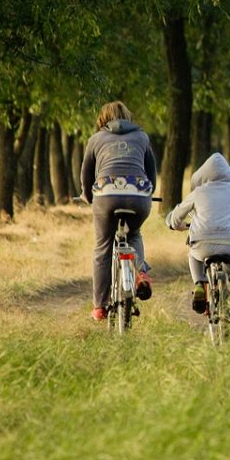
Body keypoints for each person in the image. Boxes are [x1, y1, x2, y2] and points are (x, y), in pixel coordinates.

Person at [80, 101, 156, 322]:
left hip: (106, 195)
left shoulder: (95, 139)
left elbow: (86, 175)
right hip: (139, 194)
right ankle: (141, 273)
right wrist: (147, 193)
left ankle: (100, 306)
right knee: (134, 234)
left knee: (103, 247)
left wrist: (87, 196)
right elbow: (151, 172)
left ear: (103, 119)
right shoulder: (142, 137)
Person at [166, 153, 230, 321]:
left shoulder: (198, 192)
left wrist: (175, 225)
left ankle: (199, 285)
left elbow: (176, 216)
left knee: (193, 256)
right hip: (229, 244)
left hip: (202, 244)